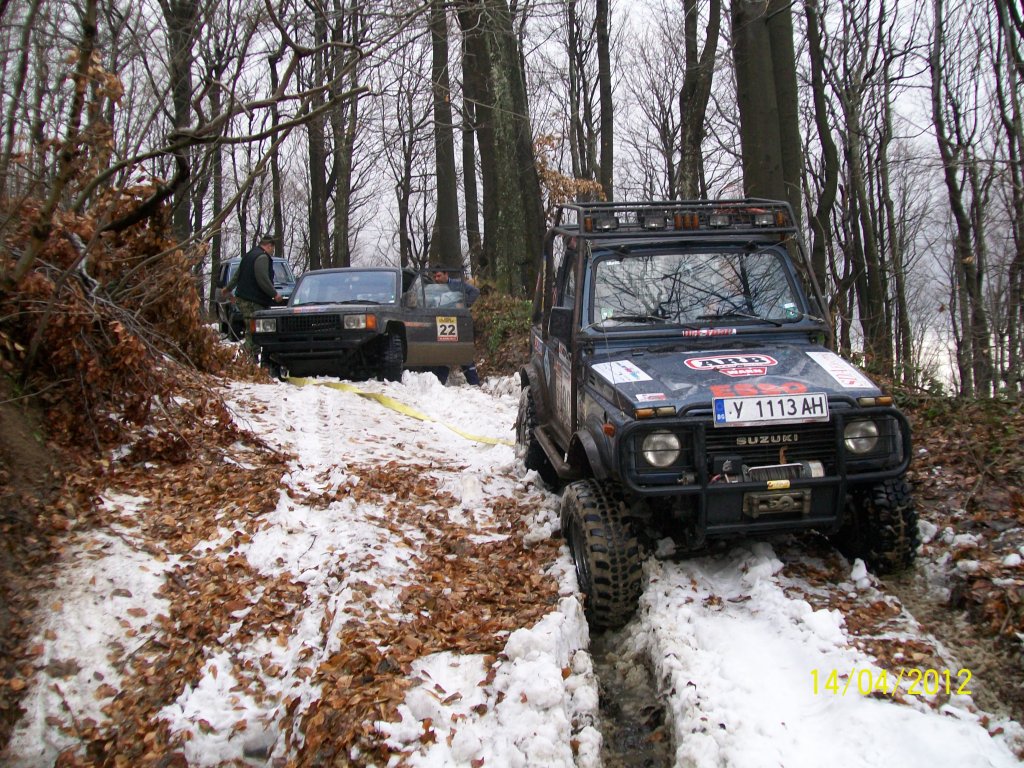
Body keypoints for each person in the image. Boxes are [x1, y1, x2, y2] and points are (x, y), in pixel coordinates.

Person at [222, 234, 282, 359]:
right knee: (254, 330)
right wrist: (274, 294)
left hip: (243, 299)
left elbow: (237, 275)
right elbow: (263, 279)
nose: (272, 252)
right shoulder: (262, 257)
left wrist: (228, 288)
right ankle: (247, 358)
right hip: (253, 300)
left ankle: (250, 357)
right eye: (272, 249)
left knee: (253, 329)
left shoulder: (249, 255)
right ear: (269, 246)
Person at [430, 267, 481, 386]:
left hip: (459, 322)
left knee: (463, 353)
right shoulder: (434, 289)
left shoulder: (457, 284)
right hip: (441, 323)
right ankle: (438, 386)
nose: (437, 279)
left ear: (446, 274)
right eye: (435, 276)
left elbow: (475, 292)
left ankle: (474, 384)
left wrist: (464, 304)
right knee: (444, 354)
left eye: (439, 276)